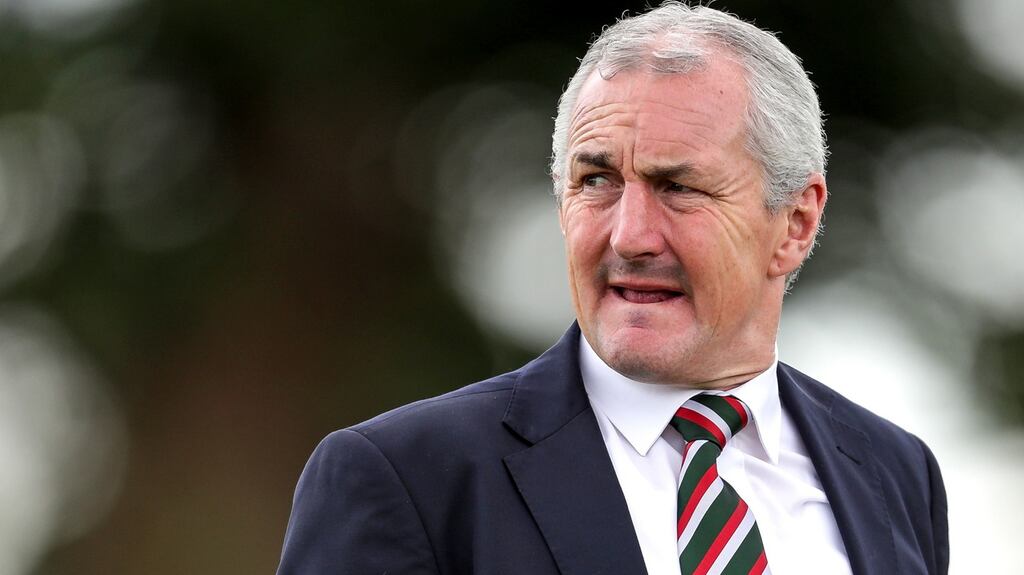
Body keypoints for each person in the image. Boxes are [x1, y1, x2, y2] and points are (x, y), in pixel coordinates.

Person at [276, 3, 949, 574]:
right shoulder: (409, 479)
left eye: (677, 187)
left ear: (796, 223)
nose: (629, 236)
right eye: (596, 181)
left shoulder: (895, 473)